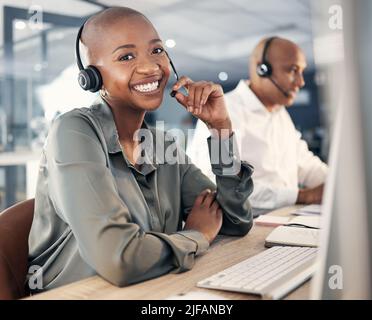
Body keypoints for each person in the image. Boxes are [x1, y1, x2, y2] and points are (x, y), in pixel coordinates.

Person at [27, 7, 254, 292]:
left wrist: (220, 128)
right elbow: (119, 259)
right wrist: (197, 235)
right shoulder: (73, 132)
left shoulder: (162, 145)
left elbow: (234, 222)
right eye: (126, 56)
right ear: (91, 78)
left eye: (157, 51)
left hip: (151, 289)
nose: (150, 67)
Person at [188, 37, 328, 216]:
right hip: (244, 226)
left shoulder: (280, 113)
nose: (301, 82)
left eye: (302, 71)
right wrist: (303, 196)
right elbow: (216, 184)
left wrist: (338, 181)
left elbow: (305, 164)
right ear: (262, 69)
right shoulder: (224, 112)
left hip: (284, 219)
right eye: (293, 70)